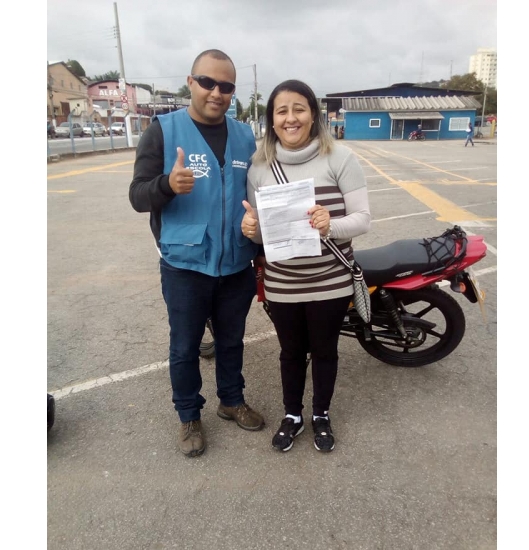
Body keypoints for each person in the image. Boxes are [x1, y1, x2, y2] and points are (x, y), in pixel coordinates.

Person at [128, 49, 265, 458]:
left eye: (226, 86)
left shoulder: (244, 135)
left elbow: (255, 195)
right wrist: (167, 185)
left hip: (236, 263)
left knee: (231, 340)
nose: (217, 92)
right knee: (185, 346)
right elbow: (137, 196)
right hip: (185, 265)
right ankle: (189, 415)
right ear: (190, 82)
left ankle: (231, 400)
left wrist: (256, 233)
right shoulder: (163, 131)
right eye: (208, 82)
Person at [240, 79, 371, 453]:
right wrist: (251, 230)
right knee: (290, 352)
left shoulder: (340, 158)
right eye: (282, 110)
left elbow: (363, 219)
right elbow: (262, 235)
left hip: (330, 281)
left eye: (299, 108)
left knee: (326, 350)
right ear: (272, 119)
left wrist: (332, 224)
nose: (290, 117)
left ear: (313, 115)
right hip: (283, 284)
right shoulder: (259, 168)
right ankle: (293, 415)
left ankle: (321, 414)